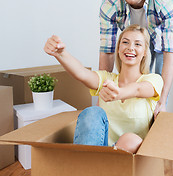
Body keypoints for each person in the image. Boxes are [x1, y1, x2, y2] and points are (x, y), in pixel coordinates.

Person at [44, 24, 163, 153]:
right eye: (125, 42)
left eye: (137, 44)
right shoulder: (107, 79)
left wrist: (119, 93)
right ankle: (86, 166)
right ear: (118, 48)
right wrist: (61, 54)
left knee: (130, 139)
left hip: (131, 159)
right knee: (92, 112)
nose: (130, 48)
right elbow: (82, 73)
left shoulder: (154, 79)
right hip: (99, 152)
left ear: (145, 51)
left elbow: (138, 89)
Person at [98, 0, 173, 117]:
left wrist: (162, 102)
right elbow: (107, 51)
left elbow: (169, 55)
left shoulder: (167, 3)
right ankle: (132, 119)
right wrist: (102, 97)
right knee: (131, 78)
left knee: (155, 86)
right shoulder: (109, 4)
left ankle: (154, 121)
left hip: (159, 43)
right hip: (133, 40)